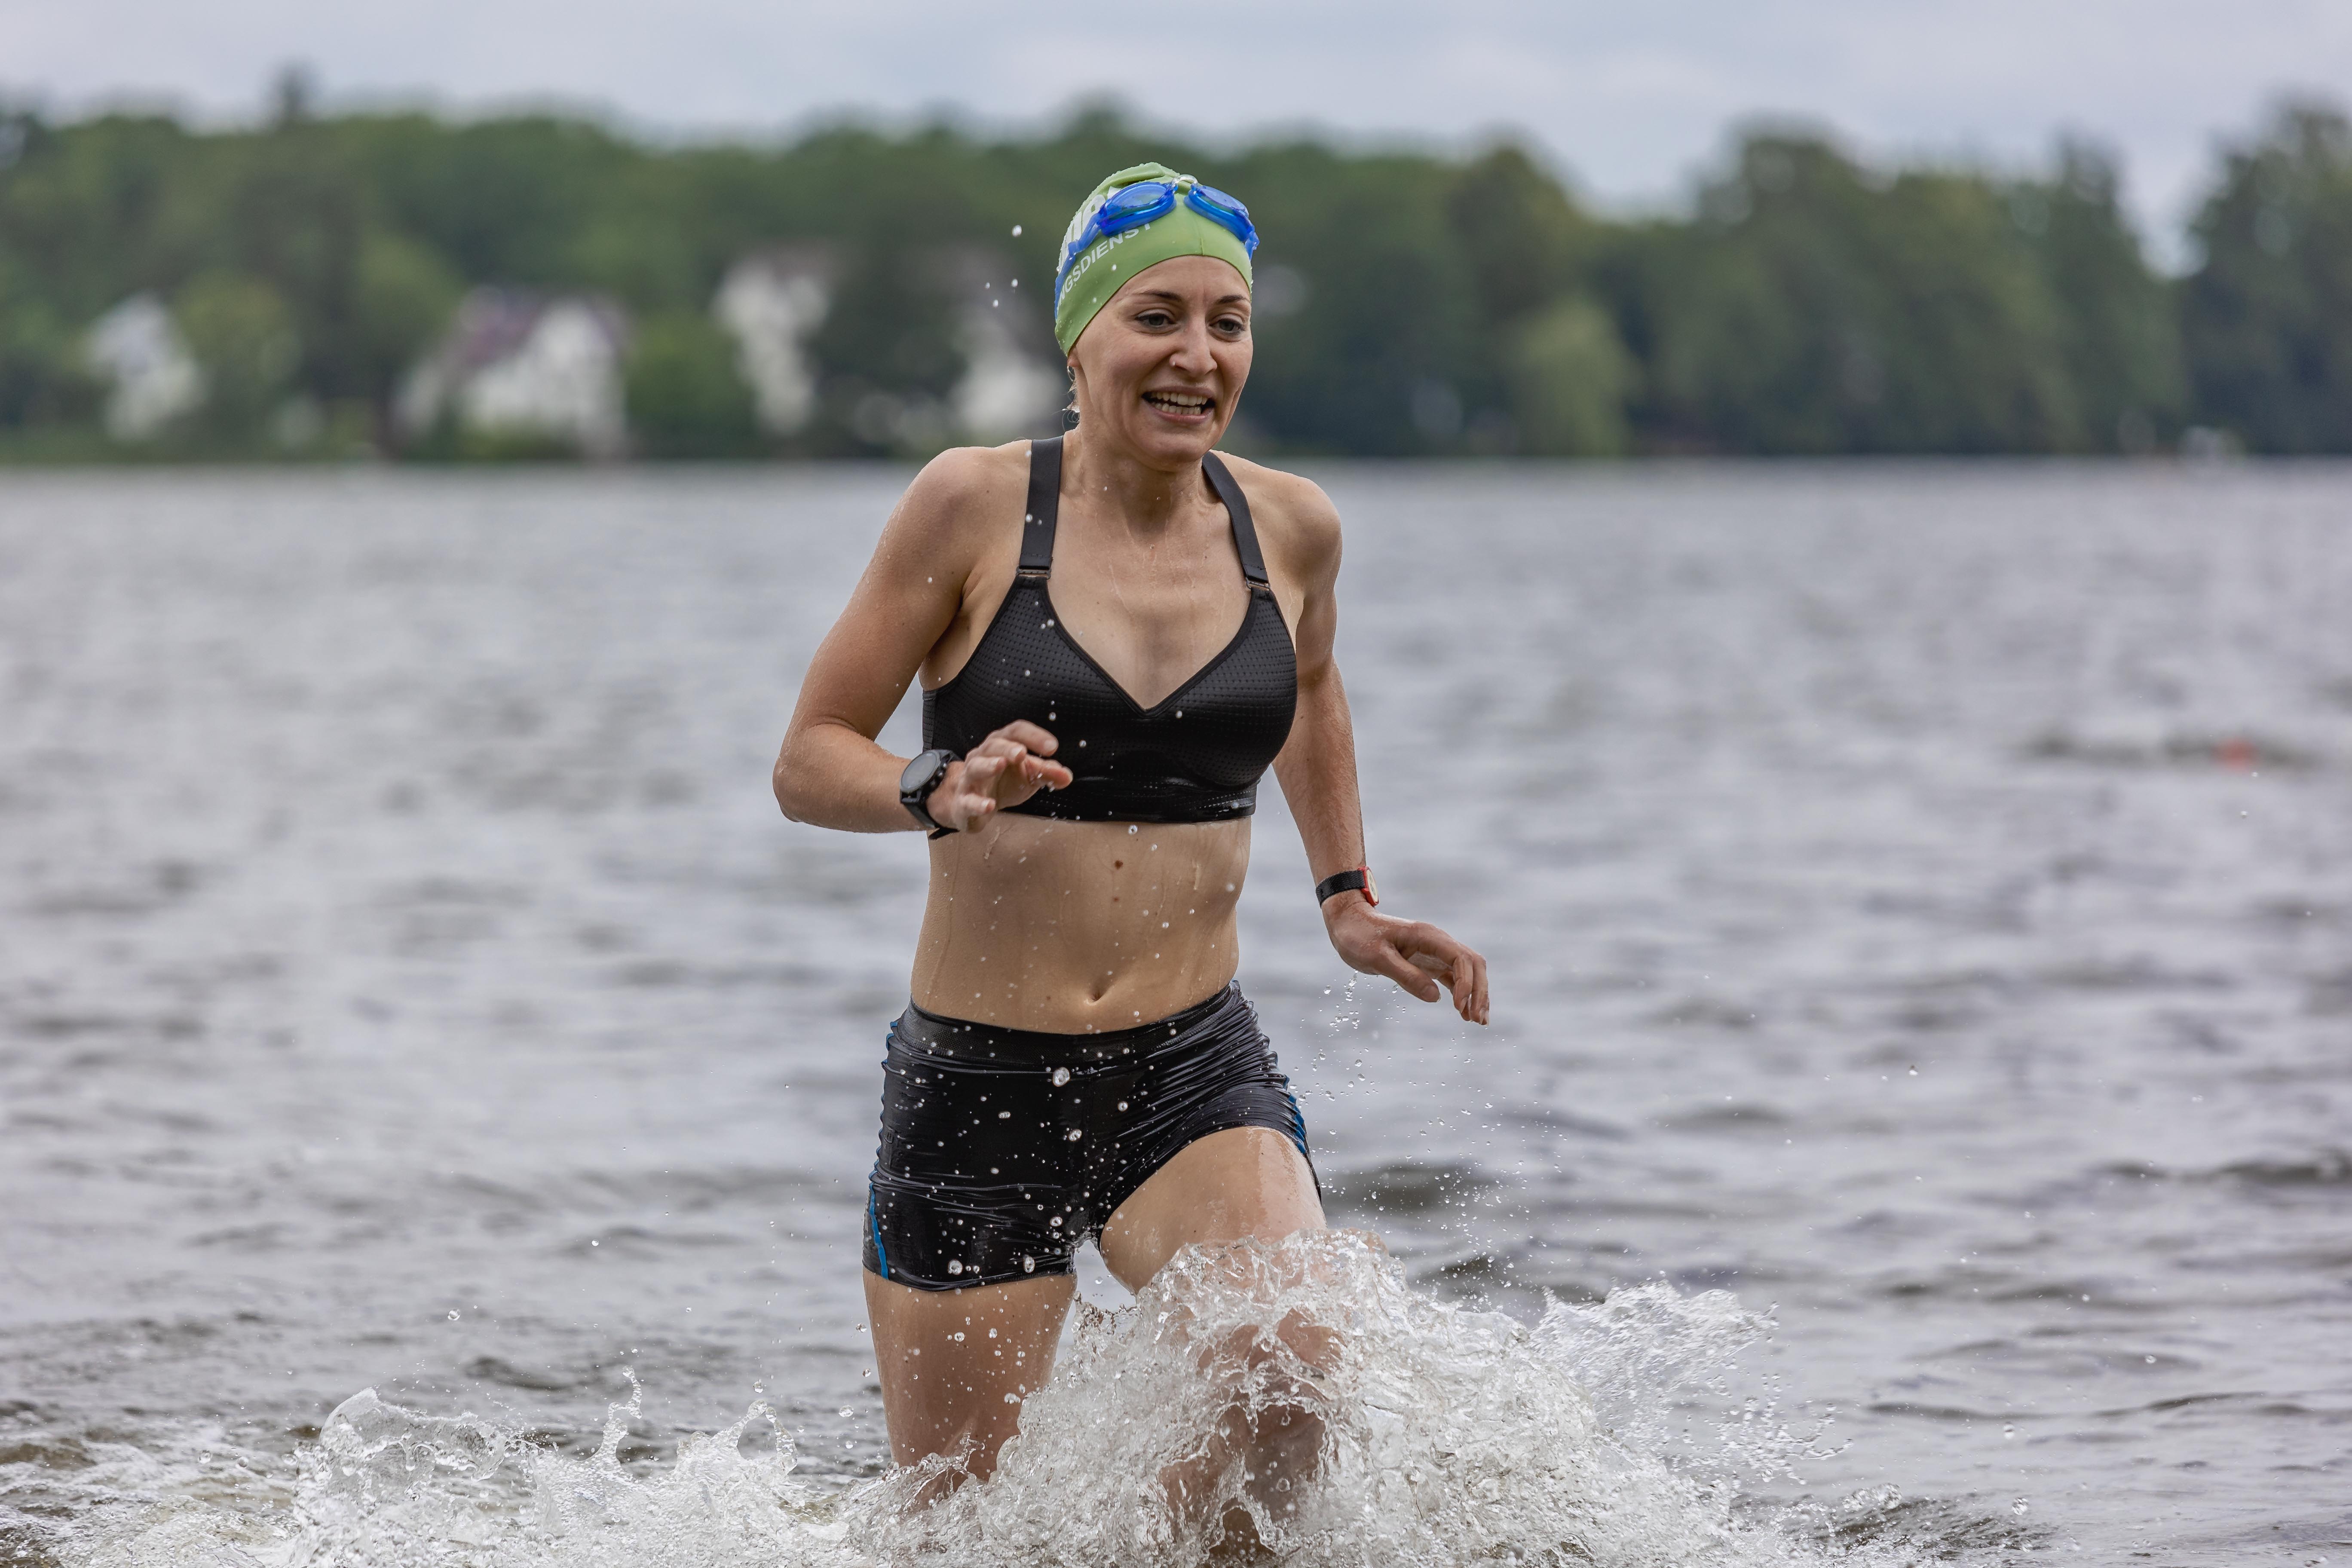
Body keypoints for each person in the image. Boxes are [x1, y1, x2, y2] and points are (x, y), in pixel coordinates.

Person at [772, 162, 1489, 1537]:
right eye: (1157, 317)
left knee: (1288, 1364)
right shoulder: (971, 507)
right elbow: (809, 757)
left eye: (1229, 322)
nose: (1197, 355)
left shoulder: (1292, 529)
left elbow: (1312, 690)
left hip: (1188, 1066)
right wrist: (937, 784)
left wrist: (1345, 894)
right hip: (980, 1085)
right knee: (959, 1535)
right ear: (1080, 337)